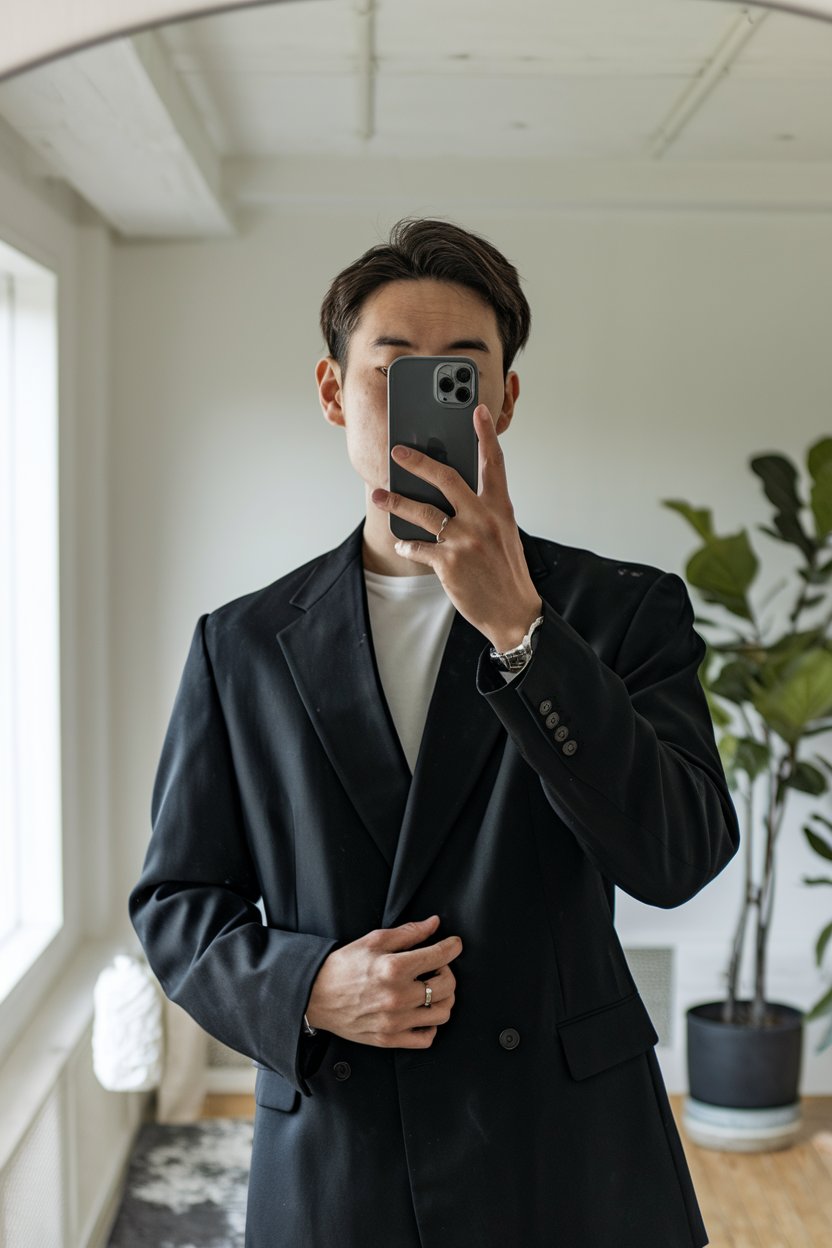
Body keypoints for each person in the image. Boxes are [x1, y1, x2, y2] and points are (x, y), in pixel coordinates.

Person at [130, 217, 740, 1248]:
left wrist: (523, 632)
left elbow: (678, 856)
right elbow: (178, 902)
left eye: (458, 373)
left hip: (564, 1151)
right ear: (334, 392)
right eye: (393, 369)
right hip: (344, 1150)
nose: (426, 400)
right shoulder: (242, 645)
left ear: (504, 399)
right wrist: (308, 988)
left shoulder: (620, 611)